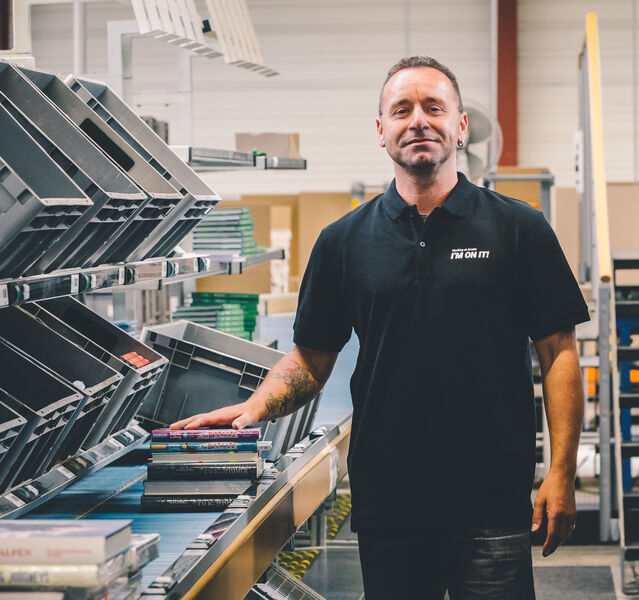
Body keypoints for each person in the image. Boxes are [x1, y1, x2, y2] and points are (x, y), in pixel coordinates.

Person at [171, 56, 589, 600]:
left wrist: (561, 473)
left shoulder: (519, 228)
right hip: (391, 504)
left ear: (461, 126)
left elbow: (558, 352)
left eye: (434, 107)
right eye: (402, 110)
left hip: (492, 501)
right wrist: (254, 407)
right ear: (381, 132)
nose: (418, 120)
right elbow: (311, 358)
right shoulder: (343, 241)